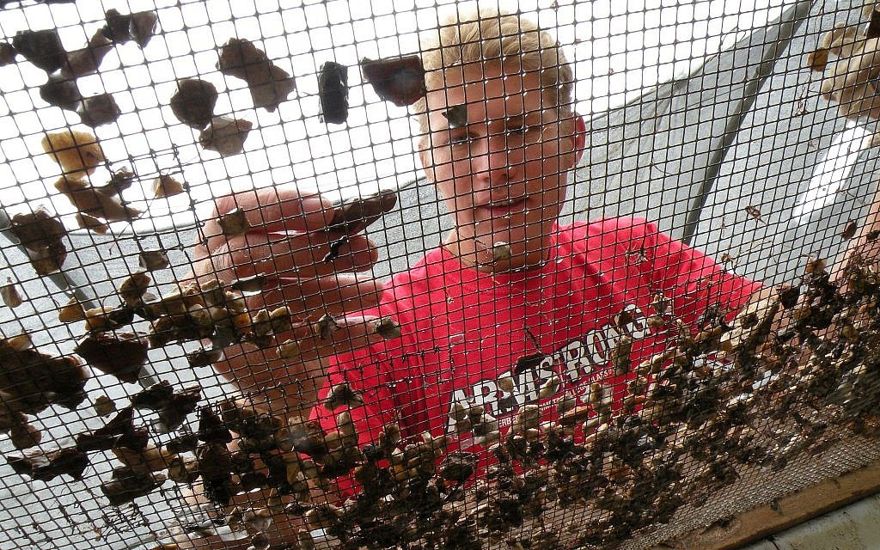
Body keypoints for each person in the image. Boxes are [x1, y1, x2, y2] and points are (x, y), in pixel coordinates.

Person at [186, 4, 875, 547]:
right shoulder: (373, 333)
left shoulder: (636, 252)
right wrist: (271, 406)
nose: (492, 168)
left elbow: (796, 339)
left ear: (571, 140)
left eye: (518, 130)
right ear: (425, 159)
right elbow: (314, 518)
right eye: (460, 139)